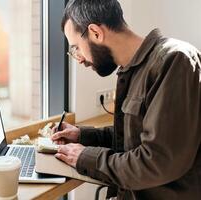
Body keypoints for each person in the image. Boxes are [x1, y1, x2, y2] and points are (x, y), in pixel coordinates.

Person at [51, 0, 201, 199]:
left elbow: (156, 163)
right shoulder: (131, 70)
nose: (78, 58)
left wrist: (84, 157)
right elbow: (135, 137)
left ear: (96, 32)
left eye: (76, 48)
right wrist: (83, 136)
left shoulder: (175, 61)